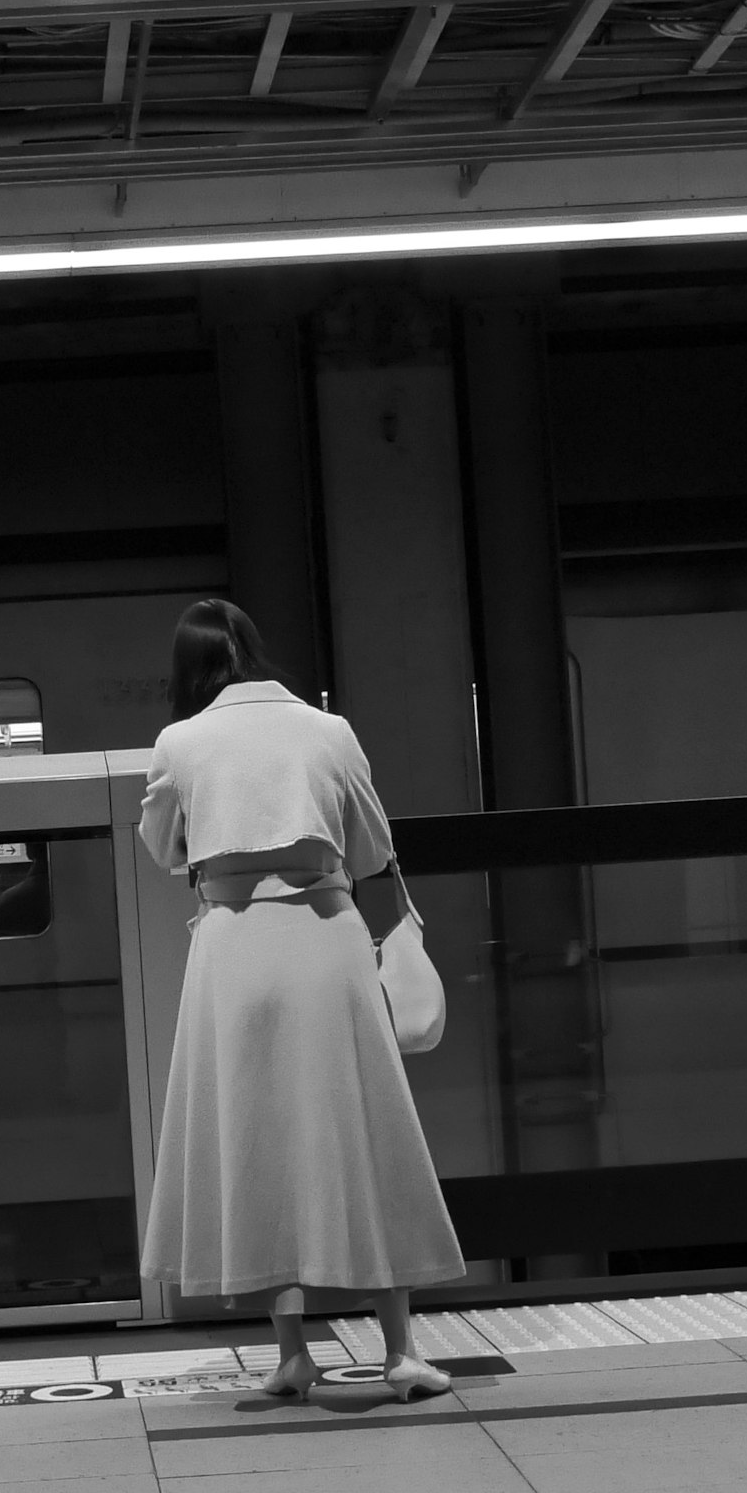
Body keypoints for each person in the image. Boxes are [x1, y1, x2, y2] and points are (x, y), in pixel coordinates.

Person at [137, 597, 465, 1405]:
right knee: (363, 1128)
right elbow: (372, 844)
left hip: (234, 949)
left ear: (187, 669)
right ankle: (400, 1352)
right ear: (253, 649)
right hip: (326, 937)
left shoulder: (180, 741)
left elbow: (160, 846)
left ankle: (294, 1356)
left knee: (257, 1140)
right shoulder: (330, 729)